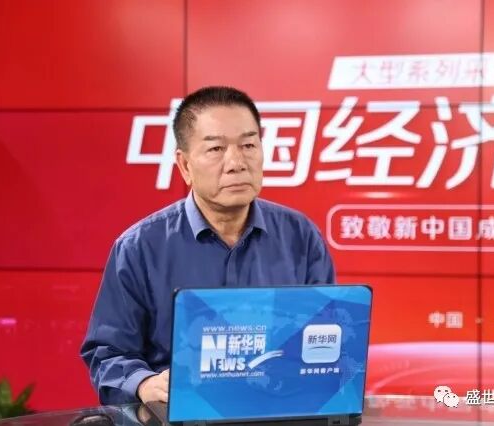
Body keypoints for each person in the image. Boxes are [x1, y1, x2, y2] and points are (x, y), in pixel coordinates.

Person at [80, 86, 336, 405]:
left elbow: (328, 336)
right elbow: (107, 353)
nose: (236, 163)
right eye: (216, 149)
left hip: (280, 409)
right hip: (180, 414)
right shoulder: (139, 248)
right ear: (185, 165)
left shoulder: (300, 236)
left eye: (248, 145)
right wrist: (144, 383)